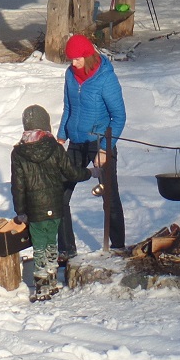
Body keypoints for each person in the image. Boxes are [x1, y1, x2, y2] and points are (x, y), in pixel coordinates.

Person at [11, 104, 90, 301]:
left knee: (39, 247)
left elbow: (18, 186)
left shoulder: (19, 153)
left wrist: (20, 210)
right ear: (46, 125)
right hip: (54, 206)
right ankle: (53, 282)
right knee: (51, 243)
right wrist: (90, 172)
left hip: (34, 209)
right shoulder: (55, 147)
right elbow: (71, 172)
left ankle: (41, 287)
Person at [57, 33, 126, 260]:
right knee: (60, 194)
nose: (73, 63)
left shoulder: (105, 78)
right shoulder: (70, 75)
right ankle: (67, 249)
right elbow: (68, 108)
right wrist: (60, 137)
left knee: (110, 196)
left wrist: (106, 148)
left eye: (77, 59)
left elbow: (119, 116)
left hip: (100, 142)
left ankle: (118, 247)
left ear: (88, 56)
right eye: (71, 59)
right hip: (76, 142)